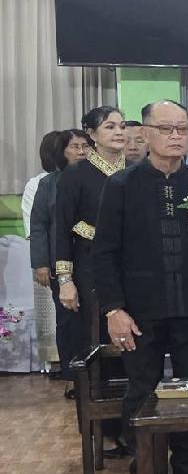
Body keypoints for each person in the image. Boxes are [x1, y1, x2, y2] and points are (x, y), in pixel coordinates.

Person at [94, 100, 188, 474]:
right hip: (139, 311)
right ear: (145, 134)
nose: (176, 136)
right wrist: (113, 309)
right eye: (166, 129)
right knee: (142, 389)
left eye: (182, 129)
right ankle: (147, 464)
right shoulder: (122, 185)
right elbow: (104, 253)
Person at [55, 107, 127, 378]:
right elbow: (62, 228)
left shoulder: (137, 170)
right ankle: (93, 393)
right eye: (110, 127)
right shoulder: (76, 174)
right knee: (92, 331)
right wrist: (65, 281)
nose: (119, 132)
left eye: (122, 126)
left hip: (130, 265)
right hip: (89, 265)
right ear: (92, 134)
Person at [30, 131, 91, 394]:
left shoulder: (98, 179)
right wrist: (41, 263)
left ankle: (100, 376)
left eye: (85, 146)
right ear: (62, 152)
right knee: (68, 322)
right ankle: (72, 377)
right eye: (74, 146)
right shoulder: (49, 184)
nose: (81, 151)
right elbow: (39, 225)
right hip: (61, 264)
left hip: (92, 261)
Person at [24, 131, 61, 372]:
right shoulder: (38, 183)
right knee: (50, 314)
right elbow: (34, 226)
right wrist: (41, 263)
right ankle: (54, 362)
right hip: (47, 259)